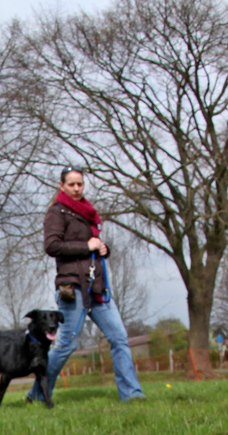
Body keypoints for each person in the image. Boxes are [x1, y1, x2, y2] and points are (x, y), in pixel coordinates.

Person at [27, 166, 145, 403]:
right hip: (73, 289)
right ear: (62, 186)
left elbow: (91, 245)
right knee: (67, 346)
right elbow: (52, 246)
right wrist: (87, 246)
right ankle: (37, 394)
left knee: (119, 339)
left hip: (97, 288)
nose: (77, 188)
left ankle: (132, 395)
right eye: (71, 184)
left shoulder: (88, 212)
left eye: (80, 184)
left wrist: (102, 248)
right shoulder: (57, 213)